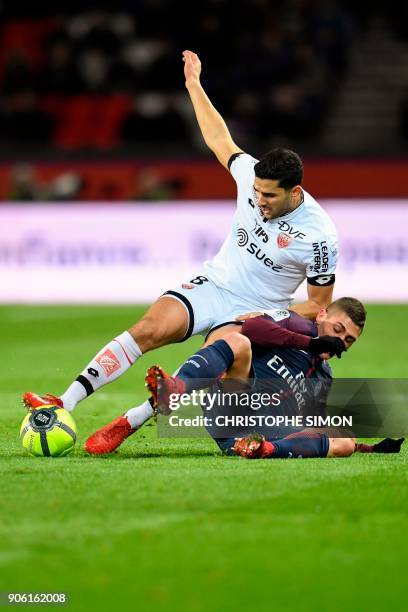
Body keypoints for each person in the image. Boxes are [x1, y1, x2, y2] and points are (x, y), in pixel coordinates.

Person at [23, 50, 338, 453]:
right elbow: (218, 138)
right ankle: (64, 402)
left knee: (208, 364)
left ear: (295, 192)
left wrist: (267, 317)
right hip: (215, 283)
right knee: (149, 328)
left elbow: (318, 304)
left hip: (256, 310)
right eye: (256, 192)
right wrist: (194, 85)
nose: (259, 200)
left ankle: (128, 422)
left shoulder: (319, 235)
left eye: (269, 196)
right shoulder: (251, 176)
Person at [145, 297, 404, 460]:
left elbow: (315, 429)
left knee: (344, 439)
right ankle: (176, 389)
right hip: (231, 407)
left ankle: (261, 449)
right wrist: (311, 343)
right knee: (237, 341)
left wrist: (368, 449)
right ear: (322, 316)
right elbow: (253, 327)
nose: (340, 342)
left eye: (348, 340)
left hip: (261, 429)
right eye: (338, 330)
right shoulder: (295, 323)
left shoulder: (324, 376)